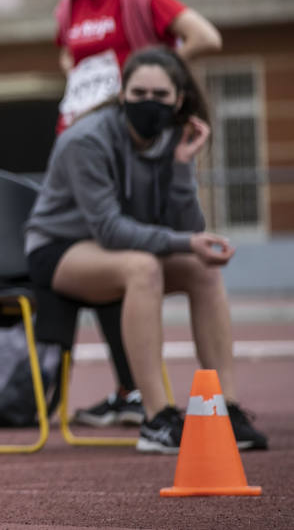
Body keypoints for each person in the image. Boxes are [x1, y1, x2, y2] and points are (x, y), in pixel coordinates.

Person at [24, 47, 267, 454]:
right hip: (59, 250)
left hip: (122, 250)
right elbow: (110, 230)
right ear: (122, 94)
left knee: (202, 269)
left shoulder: (175, 138)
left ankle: (225, 410)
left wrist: (183, 168)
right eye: (138, 94)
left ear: (179, 100)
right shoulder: (86, 139)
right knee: (143, 268)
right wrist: (186, 243)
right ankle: (157, 417)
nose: (148, 104)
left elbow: (188, 231)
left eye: (160, 96)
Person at [53, 0, 223, 426]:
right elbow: (68, 57)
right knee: (109, 251)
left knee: (133, 251)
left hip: (139, 140)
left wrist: (156, 82)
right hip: (89, 142)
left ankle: (206, 401)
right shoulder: (71, 3)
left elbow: (205, 36)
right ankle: (132, 391)